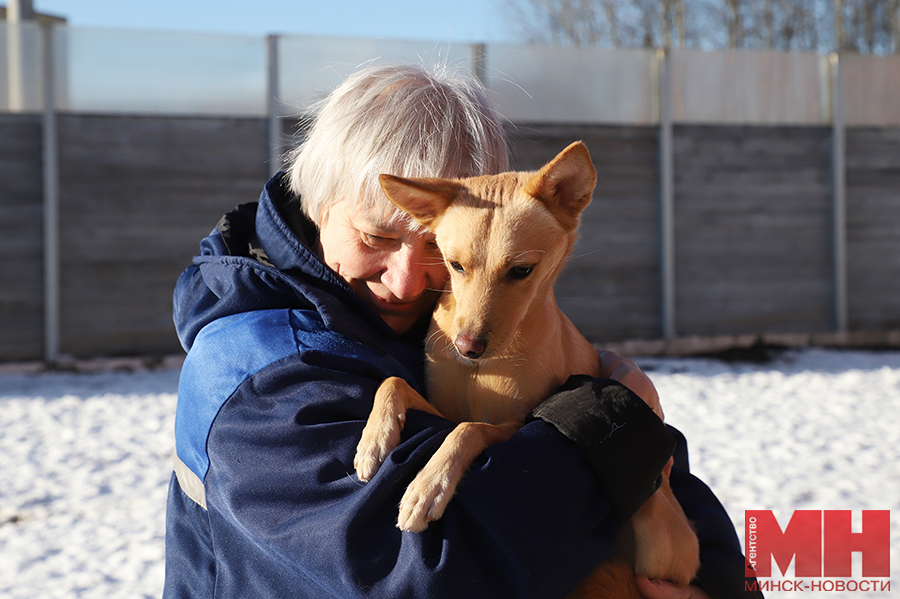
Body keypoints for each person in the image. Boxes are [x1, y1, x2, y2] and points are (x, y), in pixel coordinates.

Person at [164, 63, 759, 599]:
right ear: (316, 202)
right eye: (376, 238)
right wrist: (612, 420)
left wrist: (718, 587)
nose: (406, 282)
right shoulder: (261, 376)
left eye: (439, 251)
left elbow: (673, 499)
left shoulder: (445, 316)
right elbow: (436, 569)